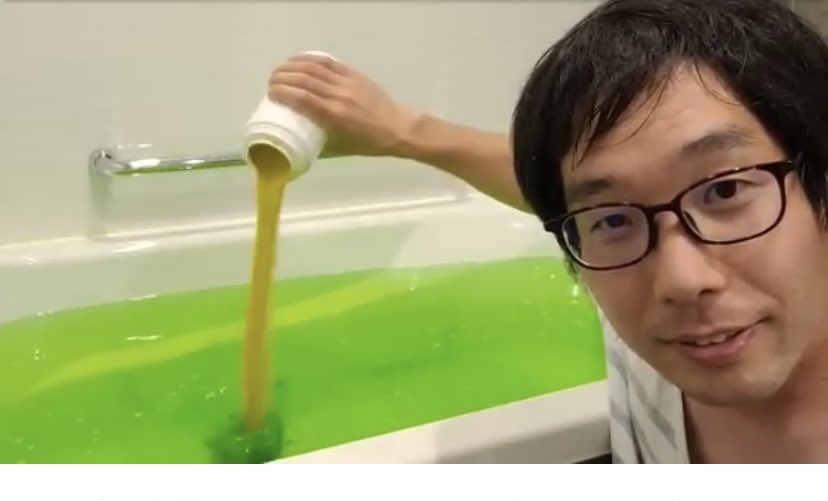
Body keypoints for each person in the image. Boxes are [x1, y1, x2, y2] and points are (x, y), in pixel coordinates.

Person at [268, 0, 828, 463]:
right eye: (613, 220)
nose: (680, 279)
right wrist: (401, 132)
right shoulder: (630, 281)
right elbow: (564, 192)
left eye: (725, 191)